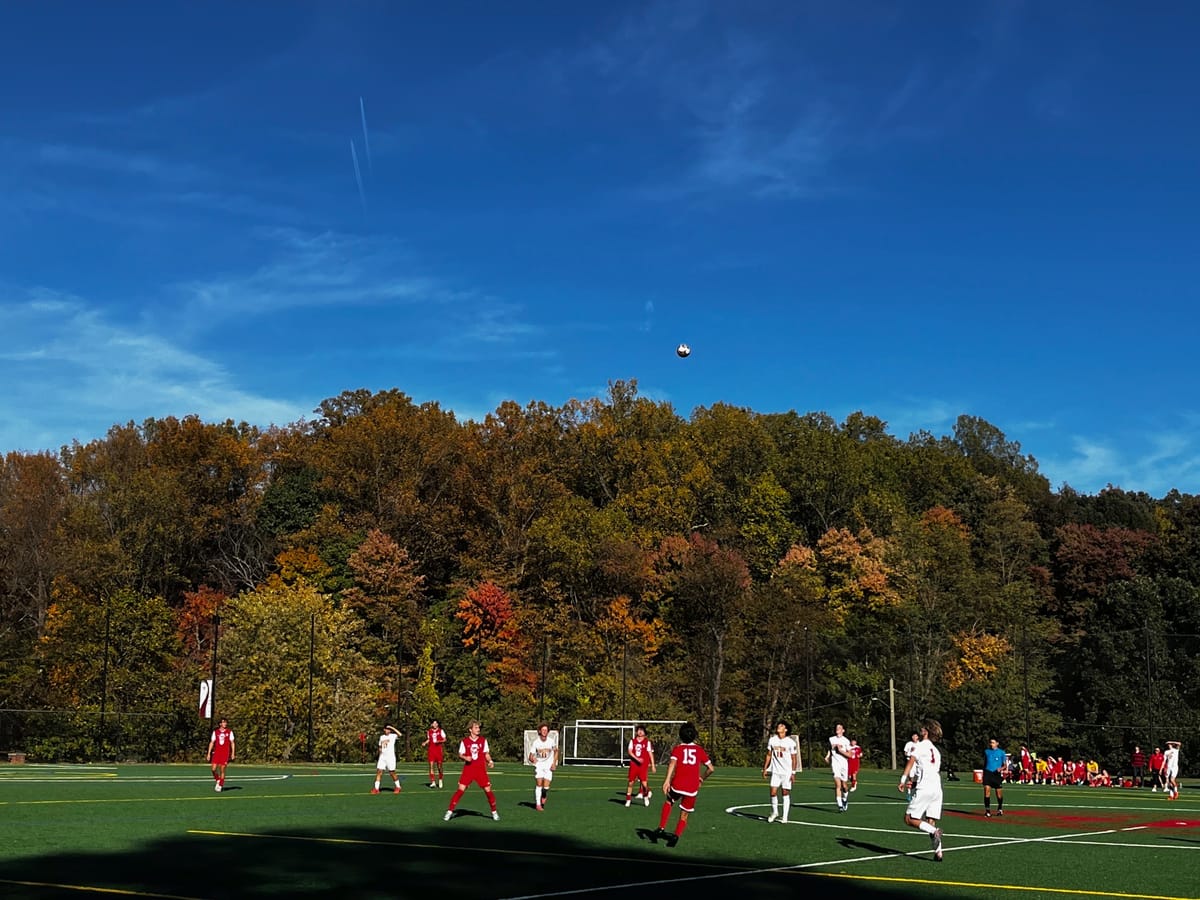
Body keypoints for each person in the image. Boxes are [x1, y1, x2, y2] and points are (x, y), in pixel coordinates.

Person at [656, 722, 714, 847]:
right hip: (692, 788)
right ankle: (676, 835)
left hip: (678, 784)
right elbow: (711, 768)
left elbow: (672, 764)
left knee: (669, 801)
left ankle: (661, 827)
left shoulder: (678, 749)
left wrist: (666, 780)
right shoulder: (699, 750)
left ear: (680, 735)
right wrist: (701, 778)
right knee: (684, 814)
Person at [898, 719, 944, 862]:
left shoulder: (920, 746)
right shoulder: (936, 752)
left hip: (925, 787)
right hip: (937, 788)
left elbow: (911, 762)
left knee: (909, 818)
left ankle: (934, 832)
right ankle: (938, 852)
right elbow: (928, 769)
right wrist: (915, 781)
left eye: (922, 729)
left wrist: (903, 780)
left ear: (925, 731)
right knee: (930, 820)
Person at [444, 720, 500, 821]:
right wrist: (466, 758)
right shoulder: (465, 741)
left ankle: (494, 812)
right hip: (468, 769)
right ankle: (449, 811)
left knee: (488, 791)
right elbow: (461, 754)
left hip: (480, 770)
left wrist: (490, 761)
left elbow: (486, 753)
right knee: (460, 790)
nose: (478, 729)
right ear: (470, 729)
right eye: (476, 727)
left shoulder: (483, 740)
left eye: (479, 728)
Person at [762, 720, 799, 823]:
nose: (779, 726)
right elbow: (769, 754)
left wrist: (793, 773)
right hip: (776, 771)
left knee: (785, 792)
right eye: (779, 725)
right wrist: (765, 768)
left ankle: (785, 816)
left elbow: (794, 758)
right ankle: (775, 812)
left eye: (782, 726)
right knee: (773, 792)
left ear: (786, 729)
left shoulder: (790, 742)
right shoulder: (772, 740)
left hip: (786, 772)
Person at [528, 722, 558, 811]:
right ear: (539, 731)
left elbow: (556, 751)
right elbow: (530, 756)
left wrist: (554, 763)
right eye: (543, 730)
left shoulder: (551, 741)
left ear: (548, 731)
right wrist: (532, 759)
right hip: (539, 766)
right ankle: (538, 804)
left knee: (545, 787)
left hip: (548, 766)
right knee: (539, 784)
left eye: (546, 730)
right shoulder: (536, 742)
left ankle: (544, 794)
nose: (544, 731)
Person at [625, 725, 657, 807]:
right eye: (639, 730)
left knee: (644, 784)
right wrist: (637, 758)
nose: (640, 732)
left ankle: (645, 797)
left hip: (643, 766)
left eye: (642, 730)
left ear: (644, 732)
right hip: (634, 765)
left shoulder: (647, 742)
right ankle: (628, 800)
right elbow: (630, 751)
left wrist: (653, 765)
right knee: (631, 783)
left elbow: (650, 754)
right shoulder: (633, 741)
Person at [824, 722, 853, 812]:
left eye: (840, 727)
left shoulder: (846, 741)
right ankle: (839, 804)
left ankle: (844, 799)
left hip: (844, 764)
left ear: (843, 730)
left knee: (844, 786)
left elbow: (850, 755)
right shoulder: (831, 739)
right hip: (835, 764)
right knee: (838, 784)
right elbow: (829, 748)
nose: (838, 729)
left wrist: (840, 751)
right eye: (837, 727)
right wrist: (828, 756)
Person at [371, 725, 403, 794]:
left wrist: (392, 727)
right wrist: (379, 755)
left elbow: (400, 734)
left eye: (389, 729)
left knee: (392, 772)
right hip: (382, 757)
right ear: (384, 730)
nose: (388, 731)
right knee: (379, 771)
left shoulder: (393, 736)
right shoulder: (382, 737)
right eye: (386, 729)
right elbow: (380, 747)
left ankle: (398, 787)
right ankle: (376, 788)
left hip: (390, 757)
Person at [207, 717, 235, 792]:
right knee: (213, 769)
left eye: (226, 722)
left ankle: (221, 785)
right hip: (217, 753)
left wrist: (233, 753)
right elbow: (212, 742)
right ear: (220, 724)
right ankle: (218, 780)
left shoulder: (229, 732)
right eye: (223, 722)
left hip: (225, 753)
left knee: (222, 769)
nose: (225, 724)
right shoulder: (215, 732)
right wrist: (209, 753)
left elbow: (232, 743)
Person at [982, 737, 1005, 817]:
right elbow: (984, 763)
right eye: (990, 742)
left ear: (997, 743)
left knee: (998, 794)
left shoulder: (1001, 752)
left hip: (996, 774)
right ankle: (987, 811)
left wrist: (1001, 768)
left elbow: (1005, 765)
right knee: (987, 790)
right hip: (988, 773)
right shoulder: (986, 752)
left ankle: (1000, 808)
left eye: (993, 742)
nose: (991, 744)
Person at [422, 719, 447, 788]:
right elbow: (429, 739)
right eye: (434, 723)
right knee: (431, 766)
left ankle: (440, 780)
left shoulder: (441, 731)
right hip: (431, 750)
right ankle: (433, 782)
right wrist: (425, 743)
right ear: (432, 724)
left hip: (438, 750)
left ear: (438, 724)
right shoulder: (429, 731)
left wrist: (439, 741)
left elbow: (445, 739)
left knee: (439, 766)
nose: (435, 724)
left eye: (436, 723)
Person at [902, 731, 920, 796]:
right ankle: (909, 792)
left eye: (915, 736)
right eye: (913, 736)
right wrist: (910, 755)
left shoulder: (920, 744)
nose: (914, 737)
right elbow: (905, 752)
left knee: (918, 778)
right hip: (910, 762)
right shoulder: (909, 744)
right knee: (911, 778)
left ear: (918, 737)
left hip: (918, 763)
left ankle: (916, 793)